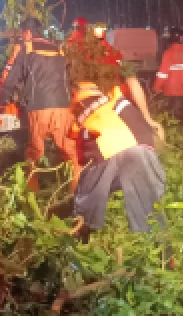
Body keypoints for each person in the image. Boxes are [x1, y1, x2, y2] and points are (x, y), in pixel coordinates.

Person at [56, 82, 167, 243]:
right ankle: (163, 252)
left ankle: (81, 236)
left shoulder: (81, 119)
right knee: (148, 206)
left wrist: (76, 194)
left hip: (106, 149)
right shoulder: (116, 98)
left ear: (75, 96)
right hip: (144, 146)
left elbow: (82, 166)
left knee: (89, 193)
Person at [0, 17, 76, 191]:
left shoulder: (25, 48)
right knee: (69, 150)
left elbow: (10, 79)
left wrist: (2, 102)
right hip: (63, 105)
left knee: (35, 151)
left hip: (39, 105)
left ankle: (33, 195)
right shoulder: (58, 49)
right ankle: (74, 192)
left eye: (22, 33)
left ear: (27, 32)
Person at [154, 28, 183, 116]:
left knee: (173, 115)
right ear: (181, 39)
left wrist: (157, 88)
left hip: (171, 90)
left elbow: (163, 74)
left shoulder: (168, 53)